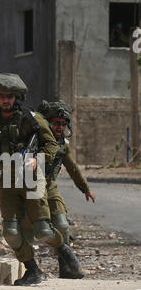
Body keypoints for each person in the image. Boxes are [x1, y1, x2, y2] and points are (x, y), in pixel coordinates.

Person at [0, 73, 83, 286]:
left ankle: (63, 248)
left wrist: (38, 160)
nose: (6, 100)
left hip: (32, 180)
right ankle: (32, 270)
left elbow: (51, 145)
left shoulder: (32, 118)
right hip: (8, 183)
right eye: (2, 95)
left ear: (16, 97)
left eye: (10, 96)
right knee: (10, 233)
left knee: (44, 231)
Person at [38, 100, 95, 278]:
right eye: (56, 123)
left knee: (62, 225)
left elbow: (72, 167)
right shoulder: (36, 140)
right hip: (32, 187)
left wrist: (85, 188)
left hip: (50, 186)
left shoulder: (63, 144)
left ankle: (65, 268)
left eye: (63, 124)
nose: (60, 127)